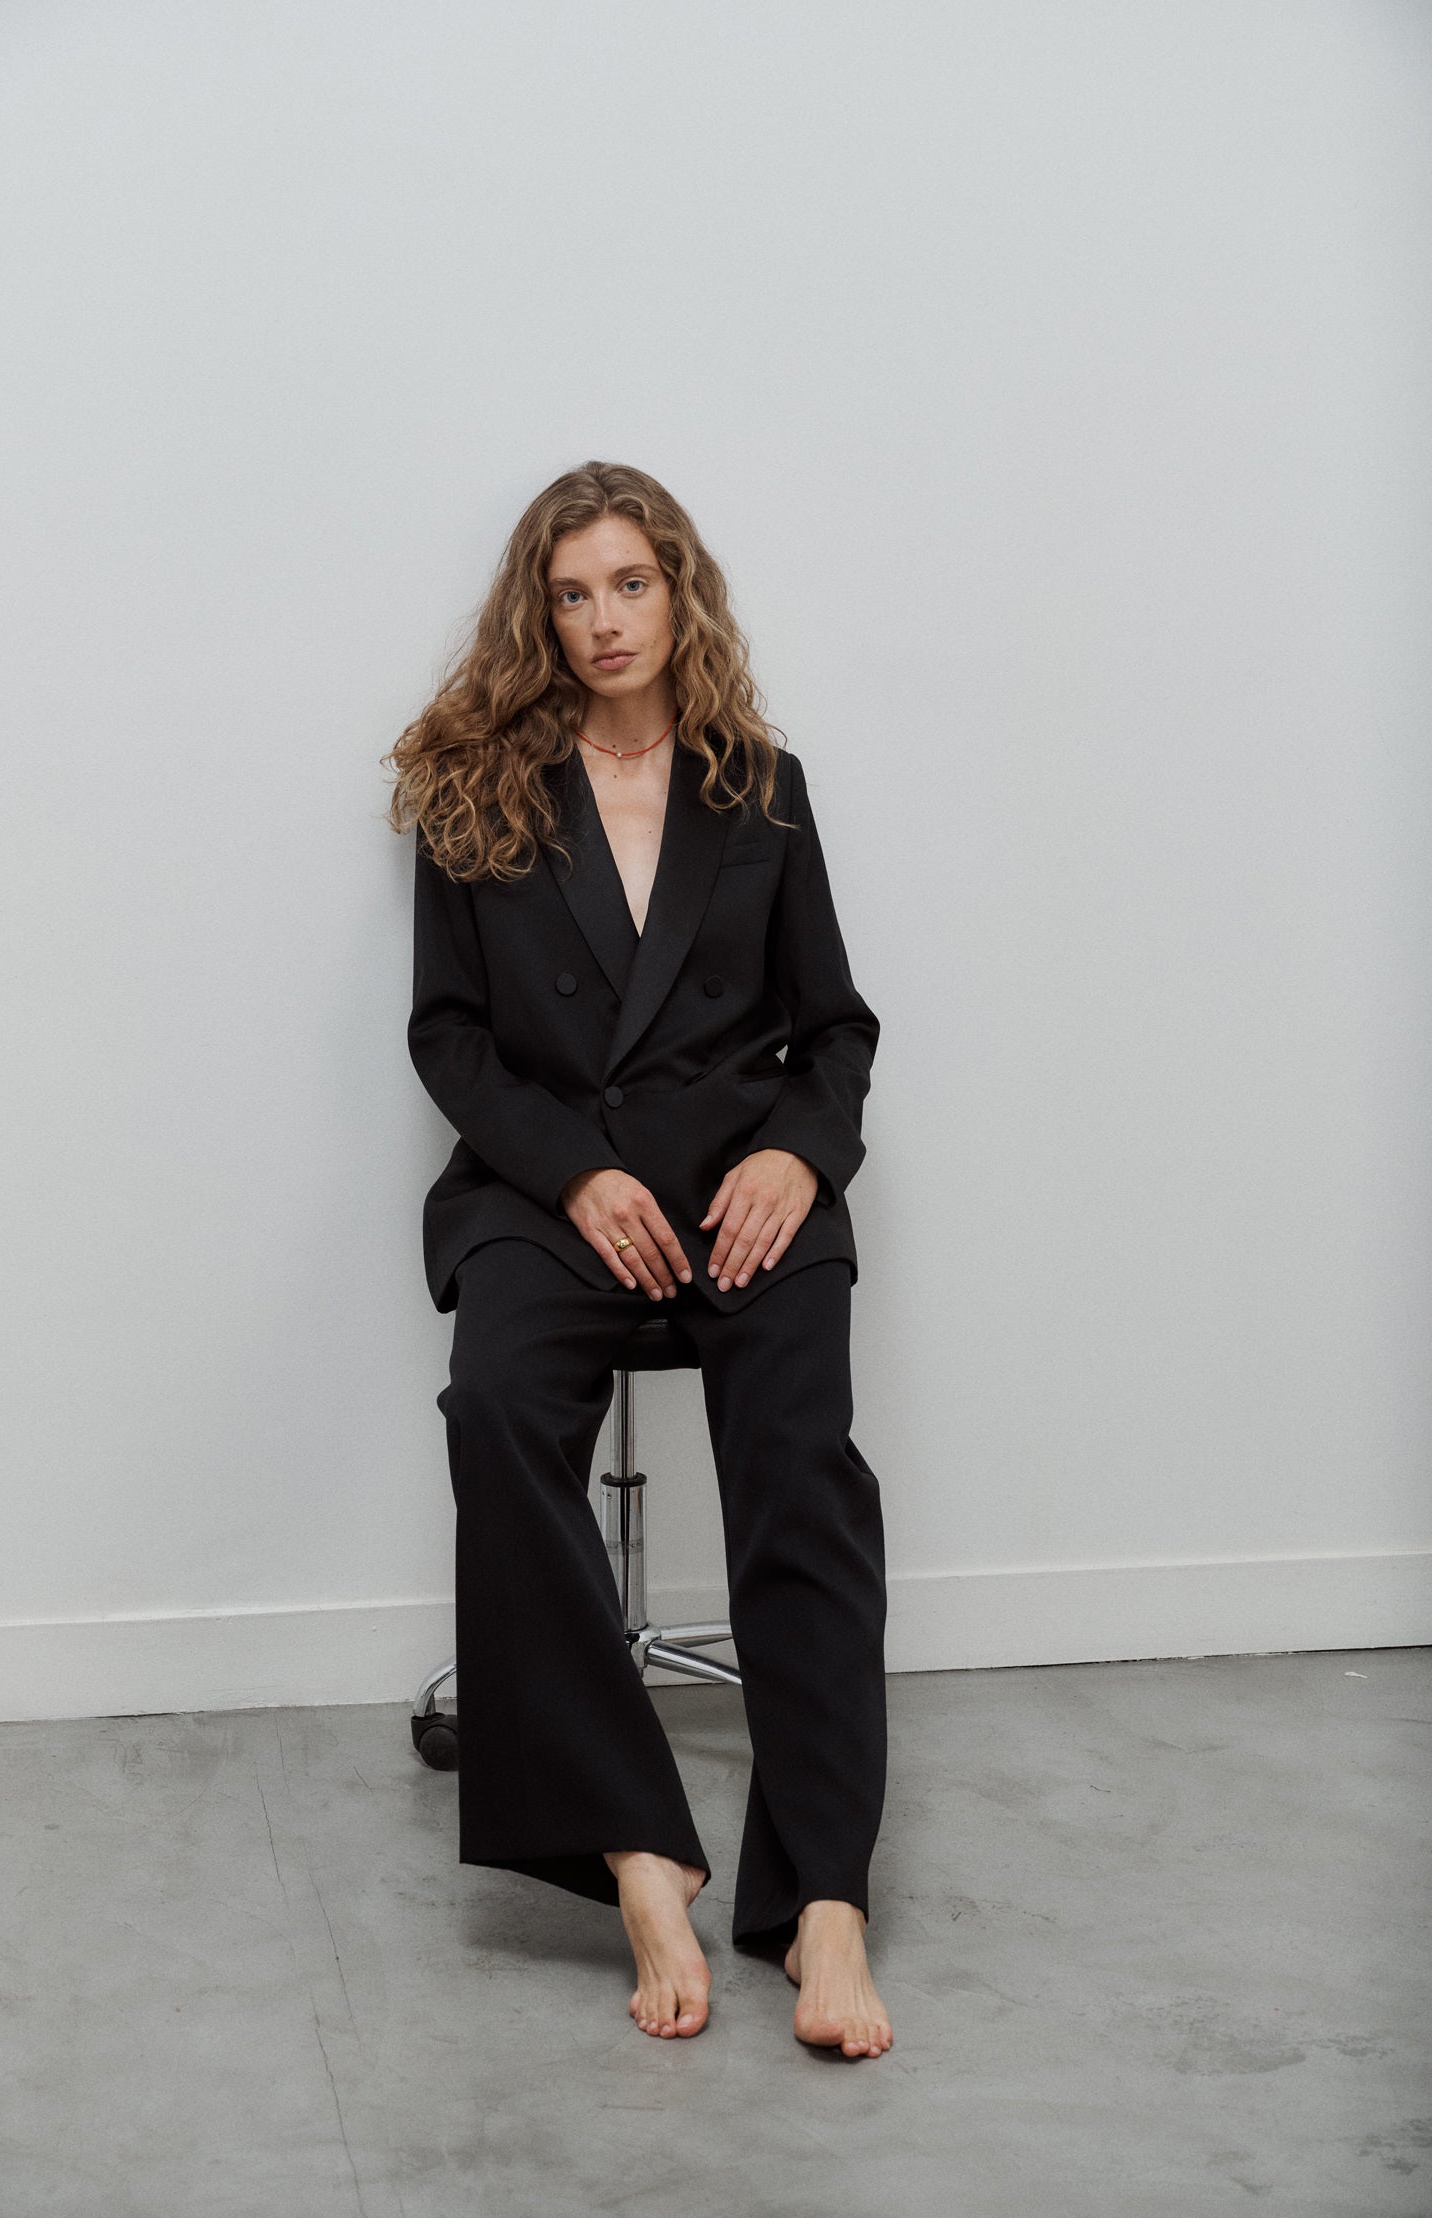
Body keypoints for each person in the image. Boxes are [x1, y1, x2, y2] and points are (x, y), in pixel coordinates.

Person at [384, 461, 892, 2059]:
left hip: (745, 1194)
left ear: (680, 593)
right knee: (493, 1410)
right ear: (538, 614)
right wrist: (575, 1170)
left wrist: (796, 1156)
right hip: (553, 1193)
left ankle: (823, 1898)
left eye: (631, 583)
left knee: (803, 1464)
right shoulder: (477, 786)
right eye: (572, 592)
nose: (604, 619)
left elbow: (836, 1028)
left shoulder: (764, 786)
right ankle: (637, 1850)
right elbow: (451, 1038)